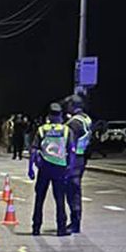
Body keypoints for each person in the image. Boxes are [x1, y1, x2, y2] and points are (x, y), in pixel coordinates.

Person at [31, 107, 74, 236]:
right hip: (60, 168)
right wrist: (70, 167)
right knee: (60, 199)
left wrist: (31, 168)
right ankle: (61, 228)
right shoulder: (66, 130)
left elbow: (33, 149)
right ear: (61, 116)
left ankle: (36, 228)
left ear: (49, 116)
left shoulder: (42, 129)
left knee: (39, 199)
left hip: (44, 168)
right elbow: (71, 150)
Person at [62, 93, 93, 235]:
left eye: (68, 105)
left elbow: (70, 144)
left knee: (72, 191)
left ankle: (75, 223)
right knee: (75, 190)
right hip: (82, 158)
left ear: (73, 106)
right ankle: (75, 221)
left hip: (74, 160)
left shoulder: (74, 123)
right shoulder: (86, 119)